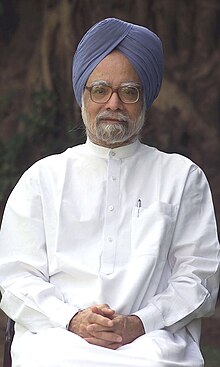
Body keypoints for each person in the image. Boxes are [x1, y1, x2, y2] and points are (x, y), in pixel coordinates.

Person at [0, 17, 219, 367]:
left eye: (128, 92)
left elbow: (199, 278)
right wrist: (72, 319)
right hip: (57, 340)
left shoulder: (182, 177)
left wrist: (140, 322)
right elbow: (16, 276)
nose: (113, 104)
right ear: (82, 96)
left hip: (153, 343)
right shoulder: (42, 179)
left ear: (145, 97)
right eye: (100, 90)